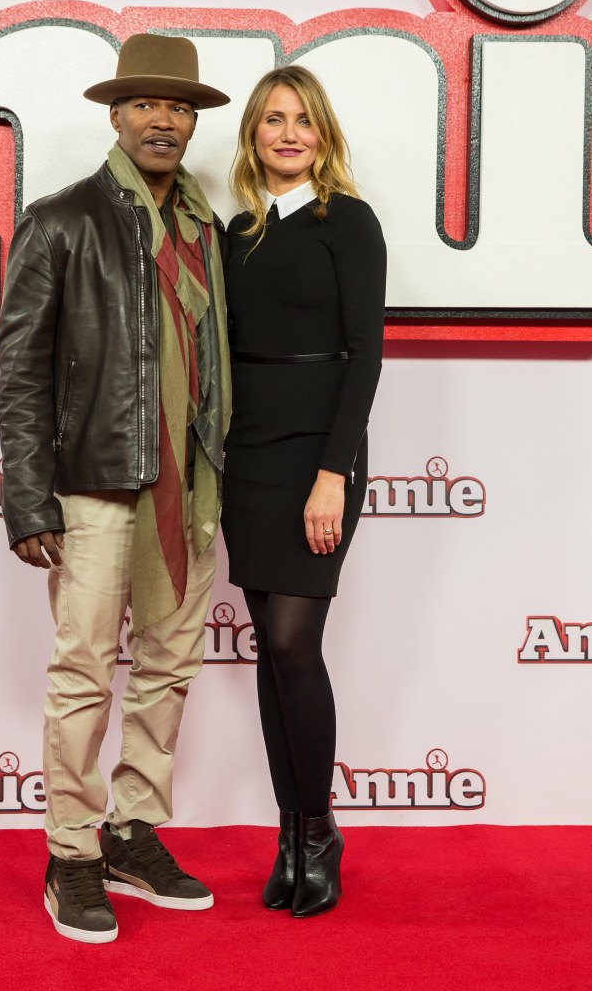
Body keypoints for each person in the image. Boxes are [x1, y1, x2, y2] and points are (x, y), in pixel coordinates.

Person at [0, 33, 231, 944]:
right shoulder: (63, 220)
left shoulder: (207, 228)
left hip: (192, 485)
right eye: (145, 104)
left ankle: (134, 833)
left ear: (191, 121)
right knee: (86, 669)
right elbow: (21, 371)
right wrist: (27, 497)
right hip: (95, 482)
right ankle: (71, 853)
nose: (163, 119)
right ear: (117, 115)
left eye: (178, 107)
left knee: (169, 667)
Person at [222, 65, 386, 918]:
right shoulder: (236, 230)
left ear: (323, 135)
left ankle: (319, 831)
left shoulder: (347, 223)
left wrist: (333, 471)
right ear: (252, 133)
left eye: (304, 121)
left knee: (293, 644)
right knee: (268, 649)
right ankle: (290, 832)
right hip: (247, 455)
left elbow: (366, 357)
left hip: (319, 455)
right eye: (272, 120)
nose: (288, 134)